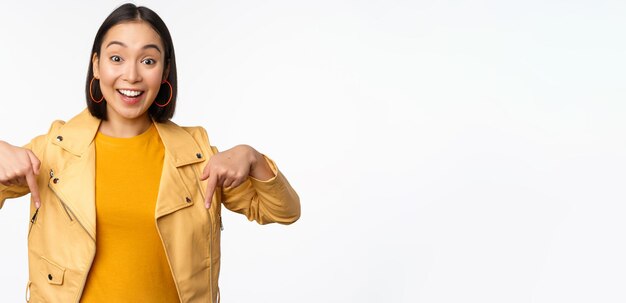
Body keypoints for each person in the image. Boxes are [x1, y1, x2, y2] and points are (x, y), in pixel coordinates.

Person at [0, 3, 300, 302]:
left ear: (165, 70)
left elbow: (284, 211)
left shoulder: (197, 158)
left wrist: (253, 157)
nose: (131, 75)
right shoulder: (53, 152)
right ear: (96, 65)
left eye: (148, 61)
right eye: (116, 58)